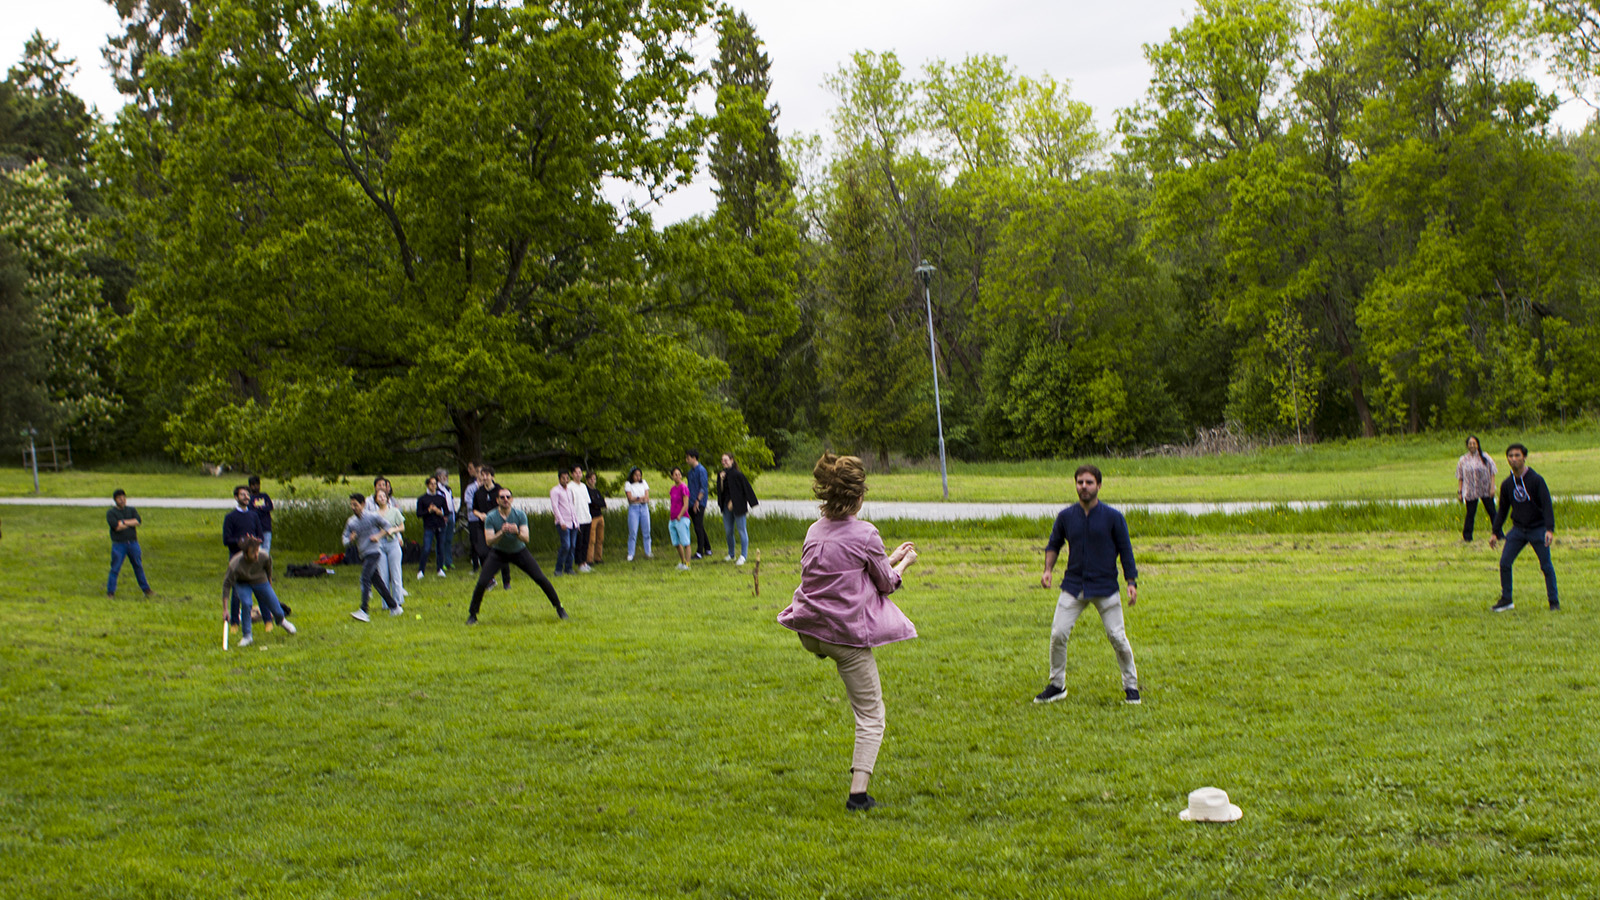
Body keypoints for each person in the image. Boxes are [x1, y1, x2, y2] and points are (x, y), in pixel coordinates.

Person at [777, 453, 919, 812]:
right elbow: (885, 583)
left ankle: (827, 650)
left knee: (835, 651)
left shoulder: (814, 530)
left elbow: (846, 566)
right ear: (858, 496)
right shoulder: (866, 532)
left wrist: (887, 554)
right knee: (871, 715)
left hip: (809, 630)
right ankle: (858, 796)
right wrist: (903, 563)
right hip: (842, 636)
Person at [1032, 464, 1141, 706]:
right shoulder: (1066, 517)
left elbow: (1126, 550)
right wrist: (1047, 570)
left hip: (1105, 587)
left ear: (1099, 486)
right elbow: (1054, 544)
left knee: (1117, 637)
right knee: (1058, 634)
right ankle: (1057, 685)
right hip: (1073, 586)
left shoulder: (1113, 517)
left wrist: (1130, 582)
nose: (1084, 487)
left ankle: (1131, 687)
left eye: (1089, 482)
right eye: (1080, 482)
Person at [469, 487, 568, 625]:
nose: (505, 500)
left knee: (540, 578)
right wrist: (501, 532)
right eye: (502, 497)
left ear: (512, 500)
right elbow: (489, 541)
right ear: (497, 500)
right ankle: (472, 615)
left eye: (508, 497)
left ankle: (559, 607)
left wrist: (516, 532)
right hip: (499, 553)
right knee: (482, 582)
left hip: (519, 551)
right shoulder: (491, 517)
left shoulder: (520, 515)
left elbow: (526, 538)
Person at [1490, 443, 1559, 612]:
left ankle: (1554, 602)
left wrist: (1549, 529)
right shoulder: (1507, 484)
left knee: (1545, 565)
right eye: (1510, 456)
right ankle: (1506, 600)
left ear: (1524, 457)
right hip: (1518, 530)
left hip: (1537, 529)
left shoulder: (1536, 480)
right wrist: (1495, 532)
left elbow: (1547, 505)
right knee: (1505, 562)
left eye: (1517, 456)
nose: (1513, 459)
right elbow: (1503, 509)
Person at [223, 535, 295, 647]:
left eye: (257, 551)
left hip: (260, 579)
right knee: (246, 603)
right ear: (245, 554)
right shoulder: (235, 564)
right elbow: (226, 585)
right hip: (242, 583)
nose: (256, 555)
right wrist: (225, 609)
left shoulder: (264, 556)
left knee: (274, 605)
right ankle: (247, 636)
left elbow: (268, 570)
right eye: (253, 552)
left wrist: (269, 588)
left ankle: (282, 621)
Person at [343, 493, 400, 620]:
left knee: (365, 578)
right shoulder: (351, 522)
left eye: (355, 505)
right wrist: (350, 540)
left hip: (374, 552)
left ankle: (364, 610)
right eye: (351, 505)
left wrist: (378, 536)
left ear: (363, 504)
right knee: (377, 582)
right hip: (363, 554)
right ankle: (395, 607)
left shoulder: (372, 516)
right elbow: (344, 539)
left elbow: (387, 526)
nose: (353, 507)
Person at [222, 485, 262, 629]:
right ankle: (234, 621)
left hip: (253, 558)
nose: (246, 497)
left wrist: (254, 543)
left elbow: (260, 536)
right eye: (242, 495)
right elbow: (226, 540)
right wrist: (243, 542)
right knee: (237, 592)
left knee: (259, 588)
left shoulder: (254, 516)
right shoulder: (230, 517)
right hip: (237, 558)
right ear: (236, 497)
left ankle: (264, 618)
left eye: (247, 495)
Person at [106, 489, 152, 599]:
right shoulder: (111, 513)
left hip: (133, 543)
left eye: (123, 498)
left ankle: (146, 589)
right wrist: (130, 523)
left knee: (138, 566)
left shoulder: (131, 510)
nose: (122, 500)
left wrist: (123, 522)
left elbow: (138, 521)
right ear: (115, 500)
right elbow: (116, 527)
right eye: (119, 498)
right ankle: (110, 592)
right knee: (115, 568)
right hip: (119, 545)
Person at [469, 465, 511, 589]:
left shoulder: (499, 491)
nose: (485, 477)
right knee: (482, 551)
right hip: (483, 526)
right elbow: (474, 509)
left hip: (498, 525)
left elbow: (505, 505)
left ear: (492, 476)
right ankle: (490, 579)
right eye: (483, 475)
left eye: (487, 475)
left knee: (502, 552)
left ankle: (506, 581)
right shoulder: (478, 492)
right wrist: (480, 515)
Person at [716, 452, 759, 565]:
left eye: (726, 460)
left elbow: (746, 490)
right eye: (722, 460)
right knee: (728, 531)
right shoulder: (721, 475)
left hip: (738, 507)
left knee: (741, 530)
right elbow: (720, 492)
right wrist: (720, 480)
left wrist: (737, 502)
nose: (724, 462)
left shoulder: (738, 475)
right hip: (726, 508)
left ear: (732, 460)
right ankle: (731, 554)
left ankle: (743, 556)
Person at [1456, 436, 1498, 543]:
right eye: (1470, 443)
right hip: (1471, 490)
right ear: (1467, 445)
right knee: (1470, 513)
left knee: (1492, 512)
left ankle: (1499, 533)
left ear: (1478, 444)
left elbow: (1493, 472)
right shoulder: (1463, 459)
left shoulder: (1485, 457)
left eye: (1474, 443)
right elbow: (1460, 477)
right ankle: (1467, 536)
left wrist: (1492, 487)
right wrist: (1460, 492)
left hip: (1485, 489)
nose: (1472, 445)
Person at [371, 488, 407, 605]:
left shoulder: (394, 511)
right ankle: (386, 603)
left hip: (393, 544)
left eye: (384, 496)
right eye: (379, 496)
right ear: (376, 499)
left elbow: (402, 527)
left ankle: (398, 601)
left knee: (396, 574)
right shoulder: (374, 515)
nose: (382, 498)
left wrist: (394, 530)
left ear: (387, 498)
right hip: (380, 545)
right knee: (383, 576)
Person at [417, 476, 450, 579]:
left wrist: (439, 512)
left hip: (440, 526)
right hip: (429, 526)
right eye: (431, 484)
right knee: (426, 548)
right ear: (427, 485)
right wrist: (429, 511)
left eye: (435, 484)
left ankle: (440, 568)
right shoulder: (422, 499)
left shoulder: (441, 498)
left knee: (440, 547)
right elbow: (419, 514)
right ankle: (421, 570)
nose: (433, 486)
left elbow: (447, 512)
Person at [685, 449, 712, 559]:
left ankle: (699, 552)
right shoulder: (690, 472)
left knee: (698, 527)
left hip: (699, 502)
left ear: (694, 458)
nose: (686, 460)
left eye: (688, 458)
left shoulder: (701, 470)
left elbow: (703, 487)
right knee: (699, 525)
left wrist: (697, 501)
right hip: (690, 502)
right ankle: (708, 548)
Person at [550, 470, 578, 576]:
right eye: (563, 478)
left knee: (572, 546)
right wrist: (561, 521)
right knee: (566, 545)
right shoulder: (555, 491)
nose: (566, 480)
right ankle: (558, 569)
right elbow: (555, 507)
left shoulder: (569, 491)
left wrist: (576, 522)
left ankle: (569, 567)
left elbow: (572, 506)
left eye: (567, 478)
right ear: (559, 479)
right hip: (563, 523)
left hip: (573, 522)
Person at [624, 466, 653, 561]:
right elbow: (630, 498)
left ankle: (648, 551)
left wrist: (638, 498)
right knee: (633, 531)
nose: (638, 477)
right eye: (636, 475)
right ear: (632, 475)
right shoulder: (628, 484)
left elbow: (647, 497)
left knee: (647, 530)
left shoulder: (644, 483)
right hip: (634, 508)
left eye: (639, 475)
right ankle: (631, 553)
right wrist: (639, 498)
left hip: (644, 507)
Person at [569, 465, 593, 573]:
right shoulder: (570, 487)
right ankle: (579, 563)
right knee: (579, 542)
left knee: (586, 541)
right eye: (576, 472)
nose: (579, 474)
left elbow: (587, 502)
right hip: (577, 518)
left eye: (580, 472)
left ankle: (584, 562)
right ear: (572, 474)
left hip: (586, 517)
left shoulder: (583, 486)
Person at [668, 466, 692, 570]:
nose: (678, 476)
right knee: (676, 543)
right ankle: (682, 561)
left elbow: (685, 504)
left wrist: (679, 515)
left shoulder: (684, 488)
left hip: (681, 518)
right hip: (672, 518)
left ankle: (687, 563)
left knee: (685, 542)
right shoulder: (672, 489)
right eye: (675, 474)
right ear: (672, 476)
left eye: (679, 474)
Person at [434, 467, 457, 571]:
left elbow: (451, 502)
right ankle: (441, 562)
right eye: (444, 476)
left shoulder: (448, 489)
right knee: (441, 539)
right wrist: (443, 515)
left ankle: (449, 561)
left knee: (449, 539)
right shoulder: (436, 489)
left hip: (451, 514)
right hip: (442, 516)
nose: (446, 478)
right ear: (439, 477)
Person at [462, 462, 483, 572]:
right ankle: (475, 566)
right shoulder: (470, 488)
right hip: (474, 519)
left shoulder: (487, 487)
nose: (482, 475)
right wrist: (479, 511)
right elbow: (469, 503)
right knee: (474, 542)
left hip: (486, 519)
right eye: (480, 472)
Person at [247, 475, 274, 553]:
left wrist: (260, 508)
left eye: (257, 485)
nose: (256, 487)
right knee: (258, 548)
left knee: (266, 547)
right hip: (256, 527)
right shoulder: (249, 498)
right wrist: (263, 508)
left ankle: (265, 563)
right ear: (250, 486)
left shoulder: (264, 496)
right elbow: (252, 510)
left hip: (266, 526)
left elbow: (270, 506)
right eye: (254, 485)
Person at [585, 472, 607, 565]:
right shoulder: (586, 491)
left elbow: (602, 503)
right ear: (587, 480)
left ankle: (598, 557)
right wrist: (597, 504)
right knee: (591, 540)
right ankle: (589, 559)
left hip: (600, 516)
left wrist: (598, 504)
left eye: (594, 479)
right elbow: (592, 503)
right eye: (591, 479)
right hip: (592, 517)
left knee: (600, 538)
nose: (592, 480)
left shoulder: (596, 491)